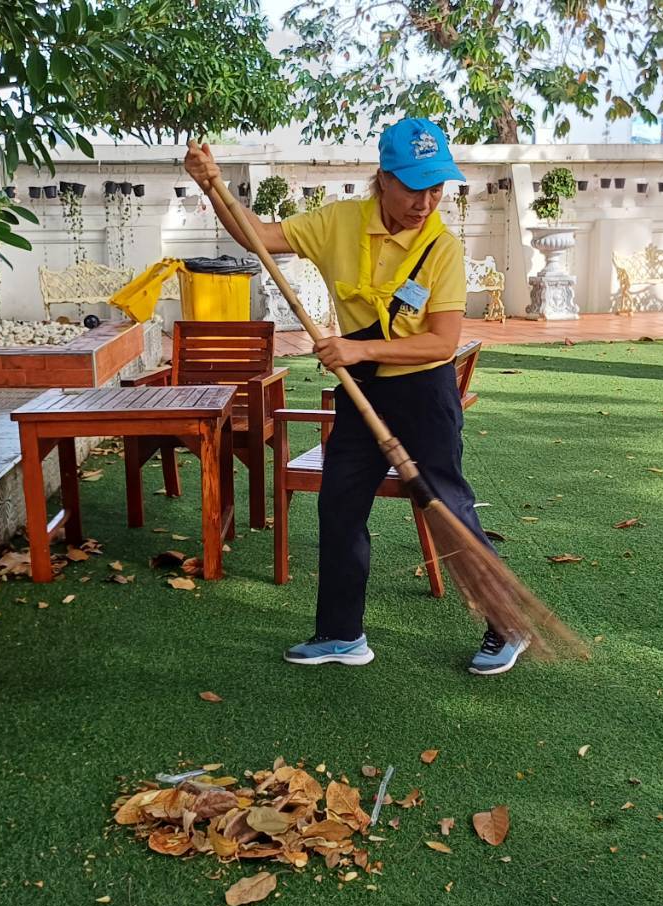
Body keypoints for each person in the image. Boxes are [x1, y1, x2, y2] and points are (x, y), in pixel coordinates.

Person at [183, 118, 525, 675]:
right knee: (339, 504)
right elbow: (256, 236)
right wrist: (210, 186)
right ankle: (342, 634)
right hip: (360, 390)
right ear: (383, 179)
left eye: (436, 187)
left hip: (423, 392)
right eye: (413, 187)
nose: (425, 202)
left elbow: (442, 342)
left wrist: (356, 349)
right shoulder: (339, 222)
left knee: (449, 505)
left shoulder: (442, 248)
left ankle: (506, 624)